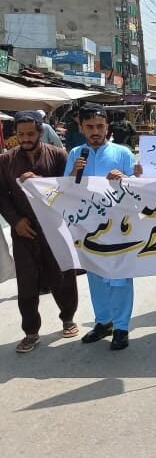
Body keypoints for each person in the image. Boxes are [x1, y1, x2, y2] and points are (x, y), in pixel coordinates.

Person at [0, 111, 78, 353]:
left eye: (30, 133)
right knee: (27, 283)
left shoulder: (57, 156)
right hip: (24, 231)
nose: (25, 138)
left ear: (40, 132)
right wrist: (15, 221)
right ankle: (31, 332)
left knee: (62, 276)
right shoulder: (6, 161)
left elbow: (69, 190)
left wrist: (40, 180)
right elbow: (2, 197)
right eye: (21, 134)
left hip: (54, 227)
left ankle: (68, 318)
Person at [64, 105, 138, 351]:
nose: (95, 132)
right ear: (81, 128)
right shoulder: (76, 153)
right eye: (90, 127)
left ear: (107, 127)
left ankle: (121, 327)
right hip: (88, 229)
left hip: (119, 228)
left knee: (119, 278)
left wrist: (125, 179)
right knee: (96, 277)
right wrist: (73, 174)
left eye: (99, 127)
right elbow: (65, 190)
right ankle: (102, 322)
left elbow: (140, 189)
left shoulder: (123, 153)